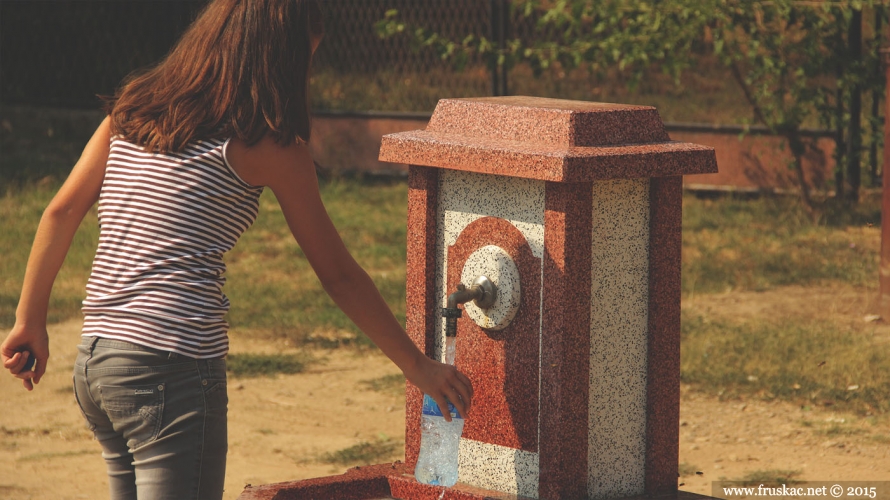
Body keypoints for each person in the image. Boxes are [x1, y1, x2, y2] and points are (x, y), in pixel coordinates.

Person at [0, 1, 473, 498]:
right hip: (172, 368)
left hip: (98, 362)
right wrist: (417, 366)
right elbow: (339, 275)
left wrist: (29, 319)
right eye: (305, 61)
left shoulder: (133, 112)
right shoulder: (270, 146)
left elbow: (60, 211)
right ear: (281, 60)